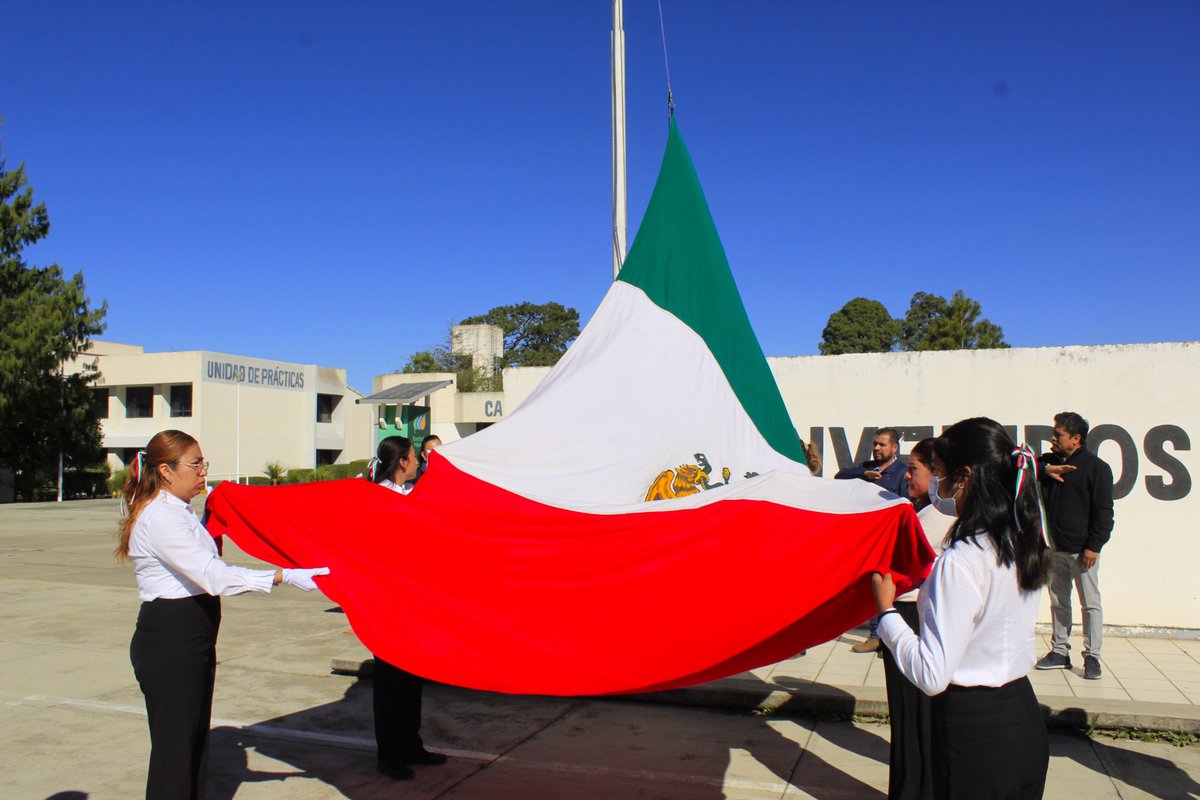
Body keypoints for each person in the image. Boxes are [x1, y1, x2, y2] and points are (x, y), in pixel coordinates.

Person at [117, 429, 329, 800]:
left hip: (191, 636)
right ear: (166, 471)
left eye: (204, 463)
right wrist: (282, 576)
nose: (203, 471)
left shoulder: (179, 510)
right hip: (170, 641)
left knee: (193, 744)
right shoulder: (160, 517)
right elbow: (212, 575)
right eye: (195, 464)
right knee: (175, 752)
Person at [871, 417, 1053, 800]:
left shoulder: (963, 560)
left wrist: (886, 614)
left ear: (964, 477)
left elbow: (931, 674)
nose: (935, 483)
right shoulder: (1021, 539)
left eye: (938, 472)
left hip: (974, 730)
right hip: (1023, 713)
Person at [368, 435, 448, 780]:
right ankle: (390, 754)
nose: (417, 462)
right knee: (390, 681)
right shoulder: (376, 497)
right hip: (387, 602)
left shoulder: (414, 493)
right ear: (402, 461)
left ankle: (412, 745)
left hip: (413, 599)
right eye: (414, 456)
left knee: (412, 676)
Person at [880, 438, 954, 800]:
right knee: (916, 717)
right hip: (915, 614)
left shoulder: (934, 517)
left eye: (914, 469)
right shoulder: (925, 511)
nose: (906, 475)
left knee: (911, 715)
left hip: (909, 616)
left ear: (936, 475)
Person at [1035, 411, 1114, 680]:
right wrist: (1045, 471)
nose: (1053, 439)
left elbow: (1104, 512)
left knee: (1090, 604)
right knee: (1059, 601)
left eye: (1058, 435)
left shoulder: (1096, 468)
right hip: (1053, 549)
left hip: (1083, 551)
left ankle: (1092, 656)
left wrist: (1094, 546)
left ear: (1076, 438)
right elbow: (1017, 467)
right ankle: (1060, 651)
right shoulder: (1046, 463)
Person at [836, 427, 908, 652]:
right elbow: (840, 475)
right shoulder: (866, 468)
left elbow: (907, 504)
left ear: (894, 447)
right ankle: (876, 636)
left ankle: (886, 638)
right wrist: (863, 475)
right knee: (872, 586)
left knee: (888, 587)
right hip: (868, 539)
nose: (877, 448)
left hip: (891, 539)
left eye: (882, 445)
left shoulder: (902, 472)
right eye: (875, 444)